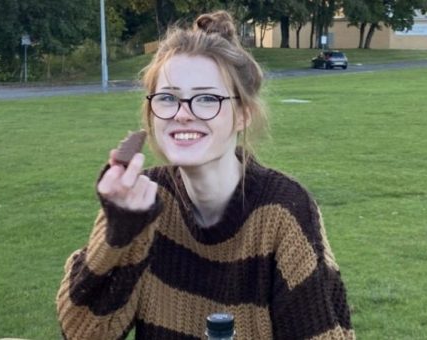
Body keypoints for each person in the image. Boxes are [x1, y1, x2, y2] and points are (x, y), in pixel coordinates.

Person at [56, 10, 354, 340]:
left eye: (207, 98)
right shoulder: (140, 201)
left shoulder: (283, 210)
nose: (183, 114)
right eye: (168, 98)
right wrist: (119, 232)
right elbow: (84, 332)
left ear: (242, 114)